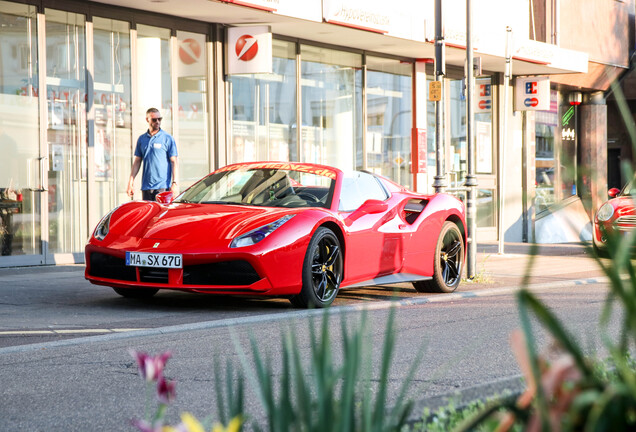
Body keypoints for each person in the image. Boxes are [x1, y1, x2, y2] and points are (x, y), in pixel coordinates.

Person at [127, 108, 179, 201]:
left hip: (162, 187)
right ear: (147, 120)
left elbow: (174, 162)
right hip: (146, 187)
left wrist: (174, 183)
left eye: (160, 119)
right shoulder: (142, 139)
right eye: (154, 120)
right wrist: (131, 181)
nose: (158, 122)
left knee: (161, 215)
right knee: (149, 215)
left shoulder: (167, 138)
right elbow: (137, 161)